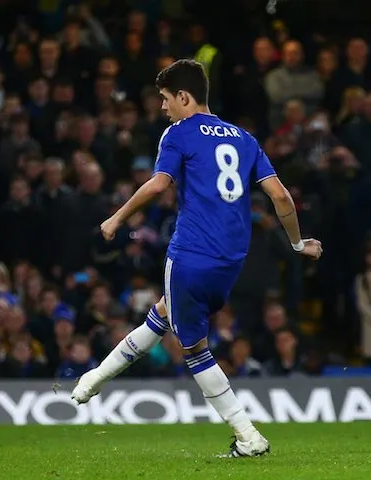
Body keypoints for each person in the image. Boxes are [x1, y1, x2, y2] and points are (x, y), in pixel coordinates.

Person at [71, 59, 323, 457]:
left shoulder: (178, 133)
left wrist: (117, 217)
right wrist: (296, 243)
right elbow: (281, 196)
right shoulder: (244, 138)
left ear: (184, 97)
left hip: (191, 252)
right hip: (231, 259)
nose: (162, 107)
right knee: (164, 312)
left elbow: (159, 185)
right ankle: (95, 379)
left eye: (165, 98)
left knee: (193, 349)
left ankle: (248, 436)